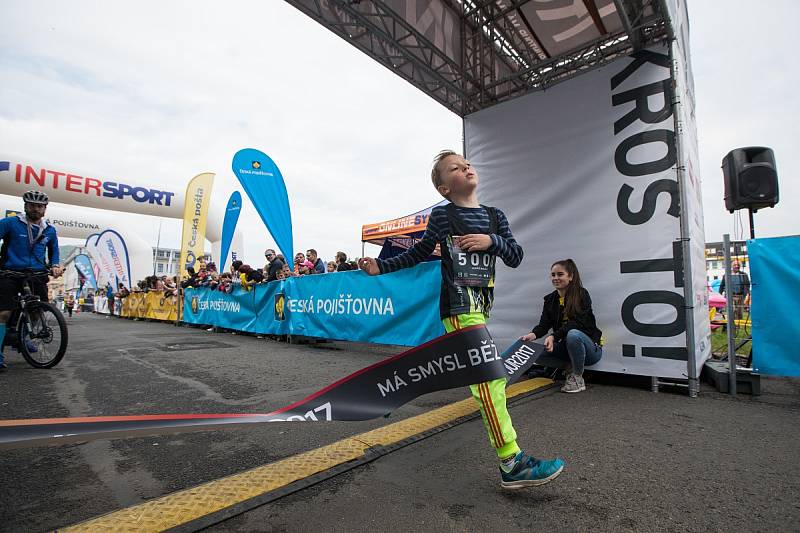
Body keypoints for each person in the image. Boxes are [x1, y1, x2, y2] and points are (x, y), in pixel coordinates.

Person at [359, 150, 564, 489]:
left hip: (481, 307)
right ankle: (511, 462)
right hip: (458, 308)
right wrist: (381, 266)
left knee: (483, 378)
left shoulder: (495, 216)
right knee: (488, 380)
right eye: (455, 167)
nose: (466, 167)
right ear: (444, 188)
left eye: (466, 163)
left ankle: (393, 390)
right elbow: (418, 253)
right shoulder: (443, 217)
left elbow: (516, 255)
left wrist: (492, 241)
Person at [0, 191, 64, 370]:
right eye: (32, 205)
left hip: (36, 273)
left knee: (38, 311)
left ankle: (24, 337)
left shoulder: (49, 230)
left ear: (45, 209)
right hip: (9, 271)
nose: (36, 209)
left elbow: (54, 253)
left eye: (39, 206)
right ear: (25, 206)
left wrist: (55, 265)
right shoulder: (10, 223)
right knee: (4, 313)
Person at [521, 259, 603, 394]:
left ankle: (577, 378)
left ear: (570, 276)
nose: (555, 278)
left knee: (574, 334)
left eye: (560, 274)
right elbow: (543, 325)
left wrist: (554, 336)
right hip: (566, 348)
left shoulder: (582, 294)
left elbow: (577, 323)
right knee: (533, 354)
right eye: (553, 275)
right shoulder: (549, 299)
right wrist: (533, 335)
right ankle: (570, 368)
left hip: (590, 351)